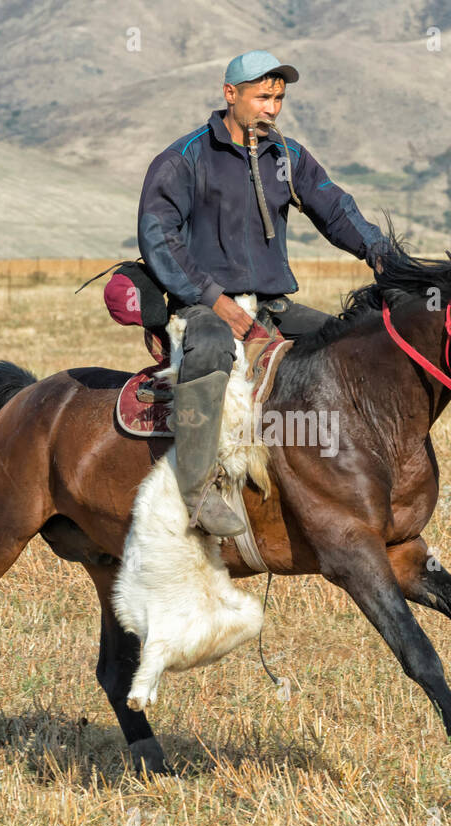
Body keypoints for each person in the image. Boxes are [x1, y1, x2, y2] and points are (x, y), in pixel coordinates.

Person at [137, 50, 390, 537]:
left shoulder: (288, 157)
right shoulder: (184, 158)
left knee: (351, 341)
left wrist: (381, 254)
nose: (271, 108)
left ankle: (342, 473)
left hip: (273, 306)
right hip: (202, 305)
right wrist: (213, 299)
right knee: (210, 347)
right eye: (262, 97)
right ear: (229, 94)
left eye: (278, 98)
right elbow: (157, 235)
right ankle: (195, 487)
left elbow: (335, 211)